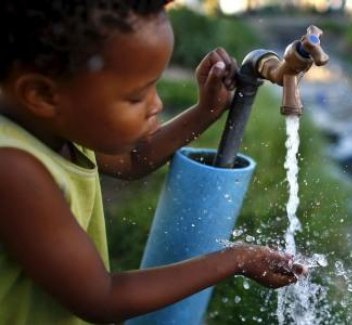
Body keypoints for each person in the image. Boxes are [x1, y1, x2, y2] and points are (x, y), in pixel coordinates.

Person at [0, 1, 304, 324]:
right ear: (42, 94)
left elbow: (133, 159)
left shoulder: (55, 125)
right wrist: (236, 259)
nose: (156, 104)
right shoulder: (12, 168)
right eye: (136, 96)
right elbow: (101, 296)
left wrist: (206, 111)